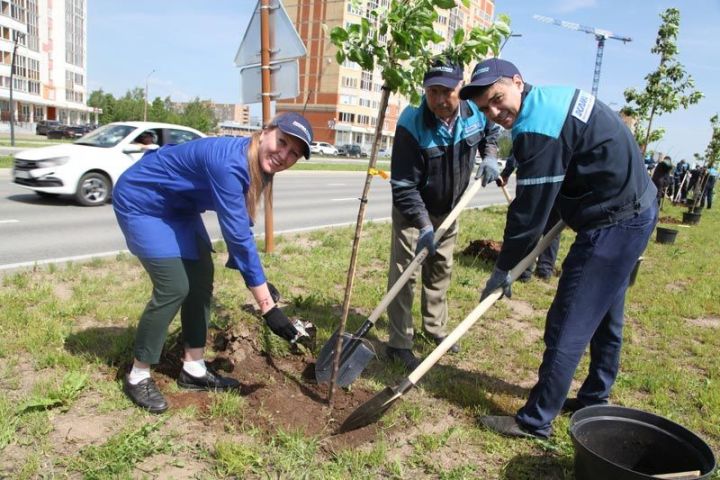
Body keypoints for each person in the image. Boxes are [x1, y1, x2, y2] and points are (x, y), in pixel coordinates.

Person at [459, 58, 657, 438]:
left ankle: (535, 421)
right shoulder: (550, 100)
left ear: (518, 82)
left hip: (614, 221)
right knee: (606, 315)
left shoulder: (537, 127)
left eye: (498, 100)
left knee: (569, 321)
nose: (496, 113)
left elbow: (529, 215)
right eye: (486, 109)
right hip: (637, 205)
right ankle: (594, 397)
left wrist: (503, 268)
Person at [113, 112, 315, 413]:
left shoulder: (259, 165)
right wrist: (267, 307)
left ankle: (193, 369)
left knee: (201, 278)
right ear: (266, 131)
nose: (283, 155)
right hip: (143, 201)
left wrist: (257, 278)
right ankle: (138, 374)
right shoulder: (229, 163)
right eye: (282, 142)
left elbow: (240, 222)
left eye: (293, 154)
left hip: (178, 209)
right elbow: (236, 235)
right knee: (174, 287)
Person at [385, 60, 500, 371]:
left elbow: (493, 129)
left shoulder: (475, 109)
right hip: (414, 212)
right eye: (432, 91)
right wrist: (423, 226)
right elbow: (404, 186)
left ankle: (434, 329)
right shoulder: (412, 122)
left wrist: (490, 156)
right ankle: (399, 343)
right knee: (405, 275)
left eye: (446, 92)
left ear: (460, 88)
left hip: (451, 208)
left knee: (440, 270)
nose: (438, 100)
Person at [496, 154, 560, 281]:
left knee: (531, 224)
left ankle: (525, 271)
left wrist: (507, 172)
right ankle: (544, 270)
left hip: (535, 178)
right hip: (559, 179)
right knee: (553, 227)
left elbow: (519, 146)